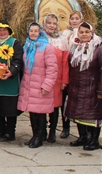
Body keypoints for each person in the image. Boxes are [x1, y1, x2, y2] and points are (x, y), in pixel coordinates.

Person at [17, 22, 58, 148]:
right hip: (29, 85)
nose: (33, 33)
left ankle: (39, 137)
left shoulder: (47, 47)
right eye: (31, 31)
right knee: (32, 112)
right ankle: (34, 135)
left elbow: (52, 69)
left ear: (40, 32)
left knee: (40, 112)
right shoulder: (27, 46)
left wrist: (47, 85)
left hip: (40, 85)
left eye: (36, 31)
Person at [65, 22, 102, 151]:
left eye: (87, 32)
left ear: (91, 33)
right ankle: (83, 137)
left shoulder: (98, 47)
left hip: (92, 87)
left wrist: (100, 90)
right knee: (78, 113)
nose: (84, 34)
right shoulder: (76, 47)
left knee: (93, 115)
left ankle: (94, 140)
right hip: (77, 86)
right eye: (81, 32)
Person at [0, 18, 23, 142]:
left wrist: (11, 71)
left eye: (4, 30)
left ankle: (10, 132)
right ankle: (0, 129)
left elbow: (18, 60)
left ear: (9, 31)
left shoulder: (14, 43)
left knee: (9, 108)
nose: (2, 32)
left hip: (9, 81)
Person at [42, 13, 70, 142]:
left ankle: (52, 132)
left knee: (54, 106)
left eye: (54, 23)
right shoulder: (40, 38)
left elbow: (65, 62)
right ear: (44, 24)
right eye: (49, 23)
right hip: (42, 78)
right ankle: (41, 131)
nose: (52, 26)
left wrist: (65, 80)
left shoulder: (62, 40)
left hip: (57, 79)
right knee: (42, 105)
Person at [59, 10, 83, 138]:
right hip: (66, 68)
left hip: (78, 70)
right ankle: (65, 127)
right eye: (72, 18)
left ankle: (84, 131)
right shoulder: (65, 34)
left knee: (79, 102)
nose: (74, 21)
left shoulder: (83, 33)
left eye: (76, 18)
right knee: (64, 101)